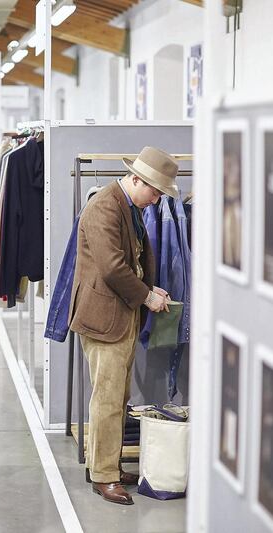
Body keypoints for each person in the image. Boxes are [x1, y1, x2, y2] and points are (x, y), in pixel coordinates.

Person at [68, 146, 178, 505]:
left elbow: (129, 263)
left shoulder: (127, 206)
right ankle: (103, 475)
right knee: (107, 400)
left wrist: (148, 287)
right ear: (135, 179)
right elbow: (113, 267)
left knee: (118, 398)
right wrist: (147, 297)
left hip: (120, 315)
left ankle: (109, 464)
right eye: (155, 189)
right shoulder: (104, 206)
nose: (157, 197)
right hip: (105, 320)